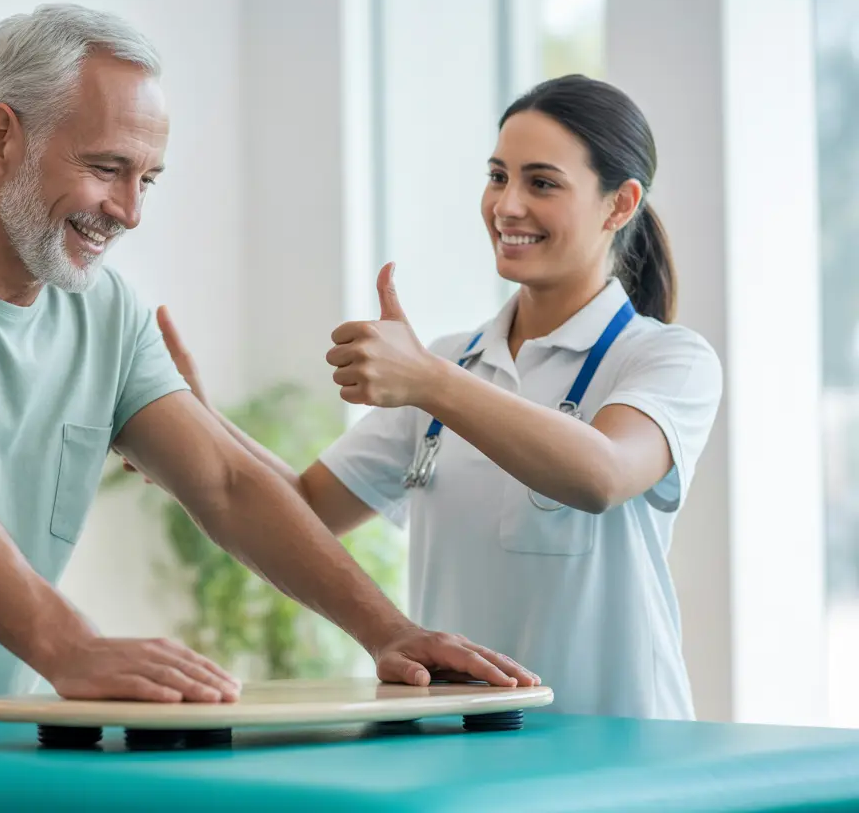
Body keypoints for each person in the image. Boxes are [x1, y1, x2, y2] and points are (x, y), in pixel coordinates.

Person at [0, 4, 537, 731]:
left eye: (148, 179)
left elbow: (227, 484)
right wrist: (72, 647)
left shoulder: (109, 312)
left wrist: (385, 631)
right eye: (105, 169)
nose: (129, 211)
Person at [151, 74, 723, 720]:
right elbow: (305, 512)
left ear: (619, 205)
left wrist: (428, 381)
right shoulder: (453, 363)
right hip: (466, 748)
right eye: (498, 176)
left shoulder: (666, 360)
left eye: (541, 183)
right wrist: (190, 424)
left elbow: (602, 474)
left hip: (623, 752)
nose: (507, 206)